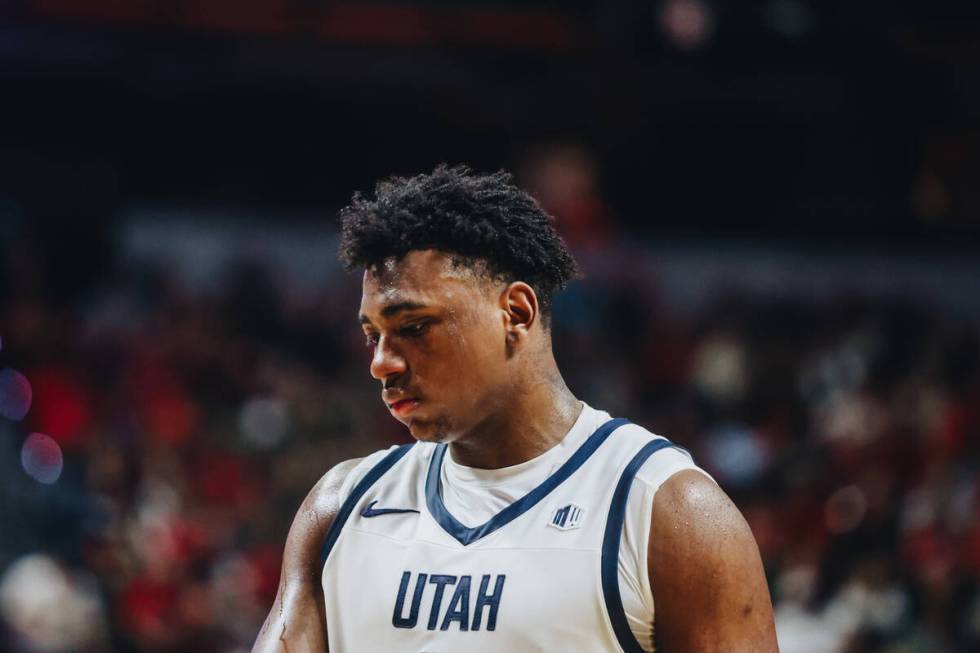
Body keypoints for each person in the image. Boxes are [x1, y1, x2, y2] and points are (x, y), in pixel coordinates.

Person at [253, 165, 778, 652]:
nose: (382, 363)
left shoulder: (665, 512)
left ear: (517, 312)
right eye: (374, 336)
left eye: (413, 328)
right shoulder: (341, 509)